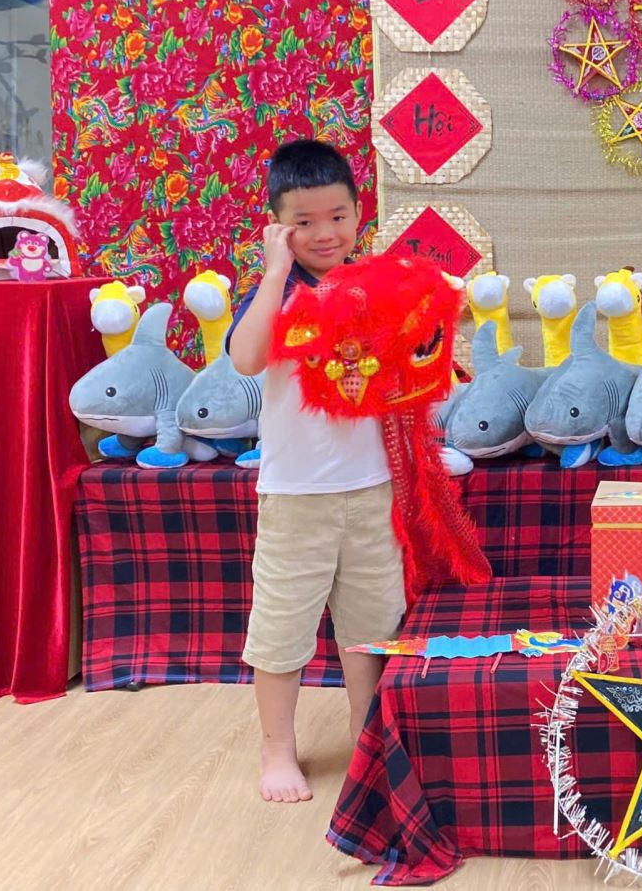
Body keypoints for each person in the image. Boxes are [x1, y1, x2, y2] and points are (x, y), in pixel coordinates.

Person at [228, 139, 403, 803]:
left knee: (373, 627)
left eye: (338, 216)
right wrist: (275, 272)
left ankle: (367, 736)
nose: (325, 233)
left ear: (359, 214)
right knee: (281, 628)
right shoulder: (276, 296)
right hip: (296, 495)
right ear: (277, 227)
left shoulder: (371, 286)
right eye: (303, 222)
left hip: (371, 488)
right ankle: (277, 748)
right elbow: (246, 358)